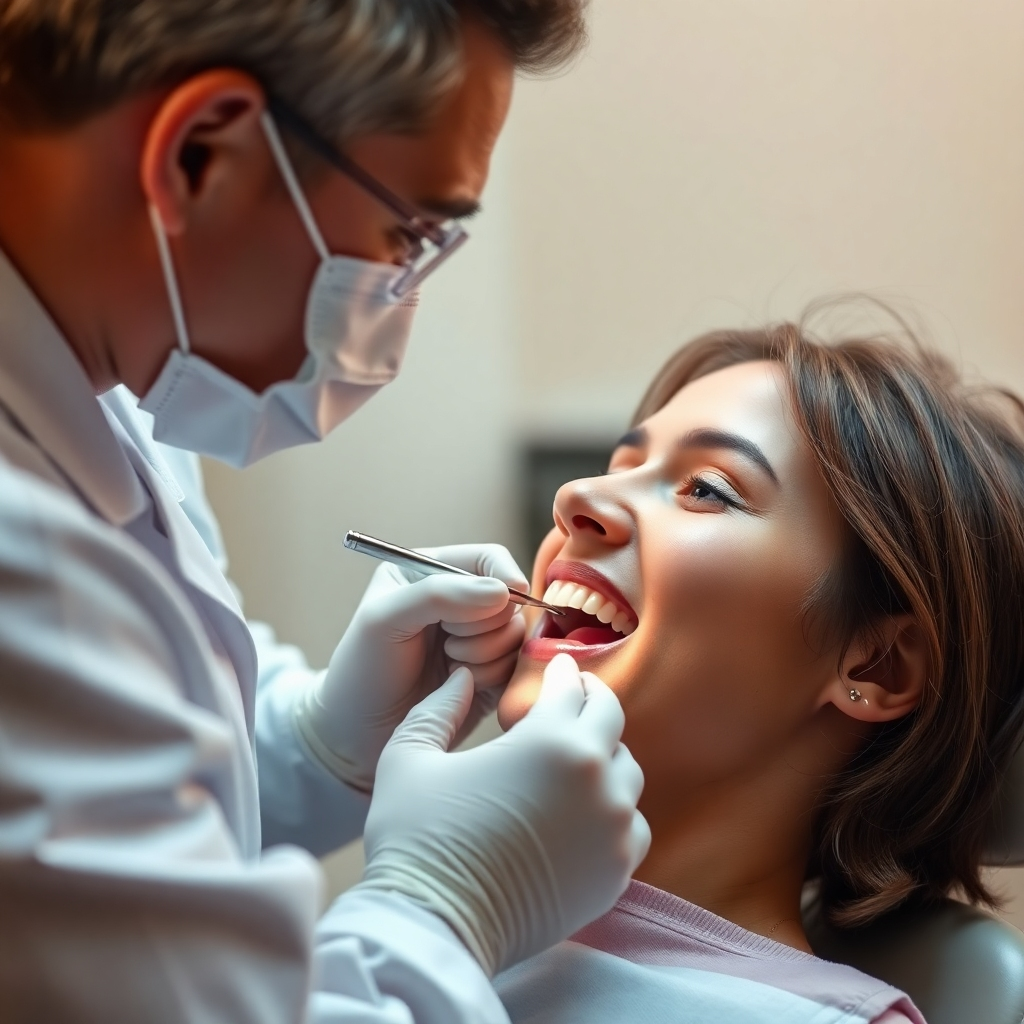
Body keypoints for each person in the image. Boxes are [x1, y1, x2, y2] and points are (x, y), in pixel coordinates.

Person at [0, 2, 651, 1021]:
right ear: (202, 153)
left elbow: (92, 817)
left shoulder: (113, 396)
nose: (584, 499)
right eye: (408, 232)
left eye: (708, 489)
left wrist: (312, 747)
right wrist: (444, 905)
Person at [493, 316, 1024, 1023]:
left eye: (706, 489)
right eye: (621, 467)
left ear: (877, 663)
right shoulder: (454, 918)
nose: (576, 499)